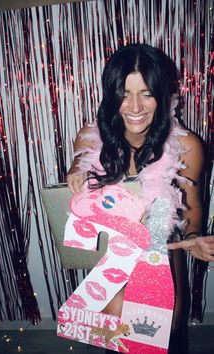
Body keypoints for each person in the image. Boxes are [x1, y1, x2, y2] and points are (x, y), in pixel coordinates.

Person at [66, 43, 206, 354]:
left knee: (161, 334)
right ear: (110, 95)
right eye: (125, 93)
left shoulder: (189, 147)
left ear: (163, 94)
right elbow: (80, 169)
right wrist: (76, 169)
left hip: (161, 258)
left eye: (146, 93)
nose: (135, 107)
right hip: (112, 261)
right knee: (117, 333)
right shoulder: (89, 139)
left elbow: (194, 204)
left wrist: (194, 235)